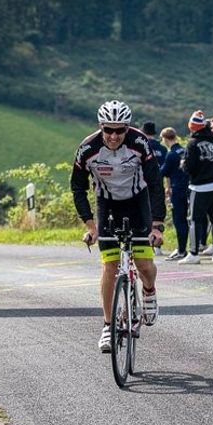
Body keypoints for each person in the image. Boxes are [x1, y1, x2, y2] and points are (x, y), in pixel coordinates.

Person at [71, 100, 166, 354]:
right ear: (100, 128)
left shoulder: (139, 143)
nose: (114, 136)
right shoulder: (87, 148)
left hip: (138, 204)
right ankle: (107, 325)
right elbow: (78, 188)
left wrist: (157, 226)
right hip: (107, 205)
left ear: (128, 128)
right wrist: (91, 226)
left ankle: (148, 291)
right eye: (108, 130)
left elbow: (155, 183)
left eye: (119, 130)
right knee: (110, 267)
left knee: (145, 265)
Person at [180, 110, 213, 265]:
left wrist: (183, 165)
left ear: (192, 127)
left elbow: (189, 167)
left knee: (194, 220)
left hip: (200, 187)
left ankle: (193, 253)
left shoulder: (193, 144)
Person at [158, 127, 192, 259]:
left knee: (179, 220)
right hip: (188, 188)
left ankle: (181, 250)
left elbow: (163, 172)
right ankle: (184, 247)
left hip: (177, 189)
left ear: (165, 139)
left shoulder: (171, 154)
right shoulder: (184, 150)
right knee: (186, 219)